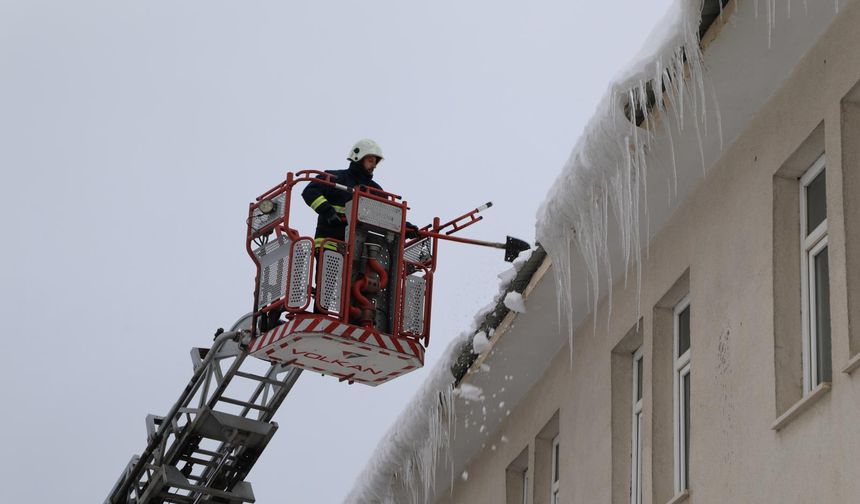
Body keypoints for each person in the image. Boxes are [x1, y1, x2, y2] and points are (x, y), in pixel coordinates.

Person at [301, 139, 419, 246]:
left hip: (359, 251)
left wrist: (405, 227)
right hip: (328, 244)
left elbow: (388, 216)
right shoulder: (335, 178)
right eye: (370, 160)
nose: (373, 166)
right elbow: (310, 192)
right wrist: (328, 212)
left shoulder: (376, 191)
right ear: (358, 158)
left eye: (375, 162)